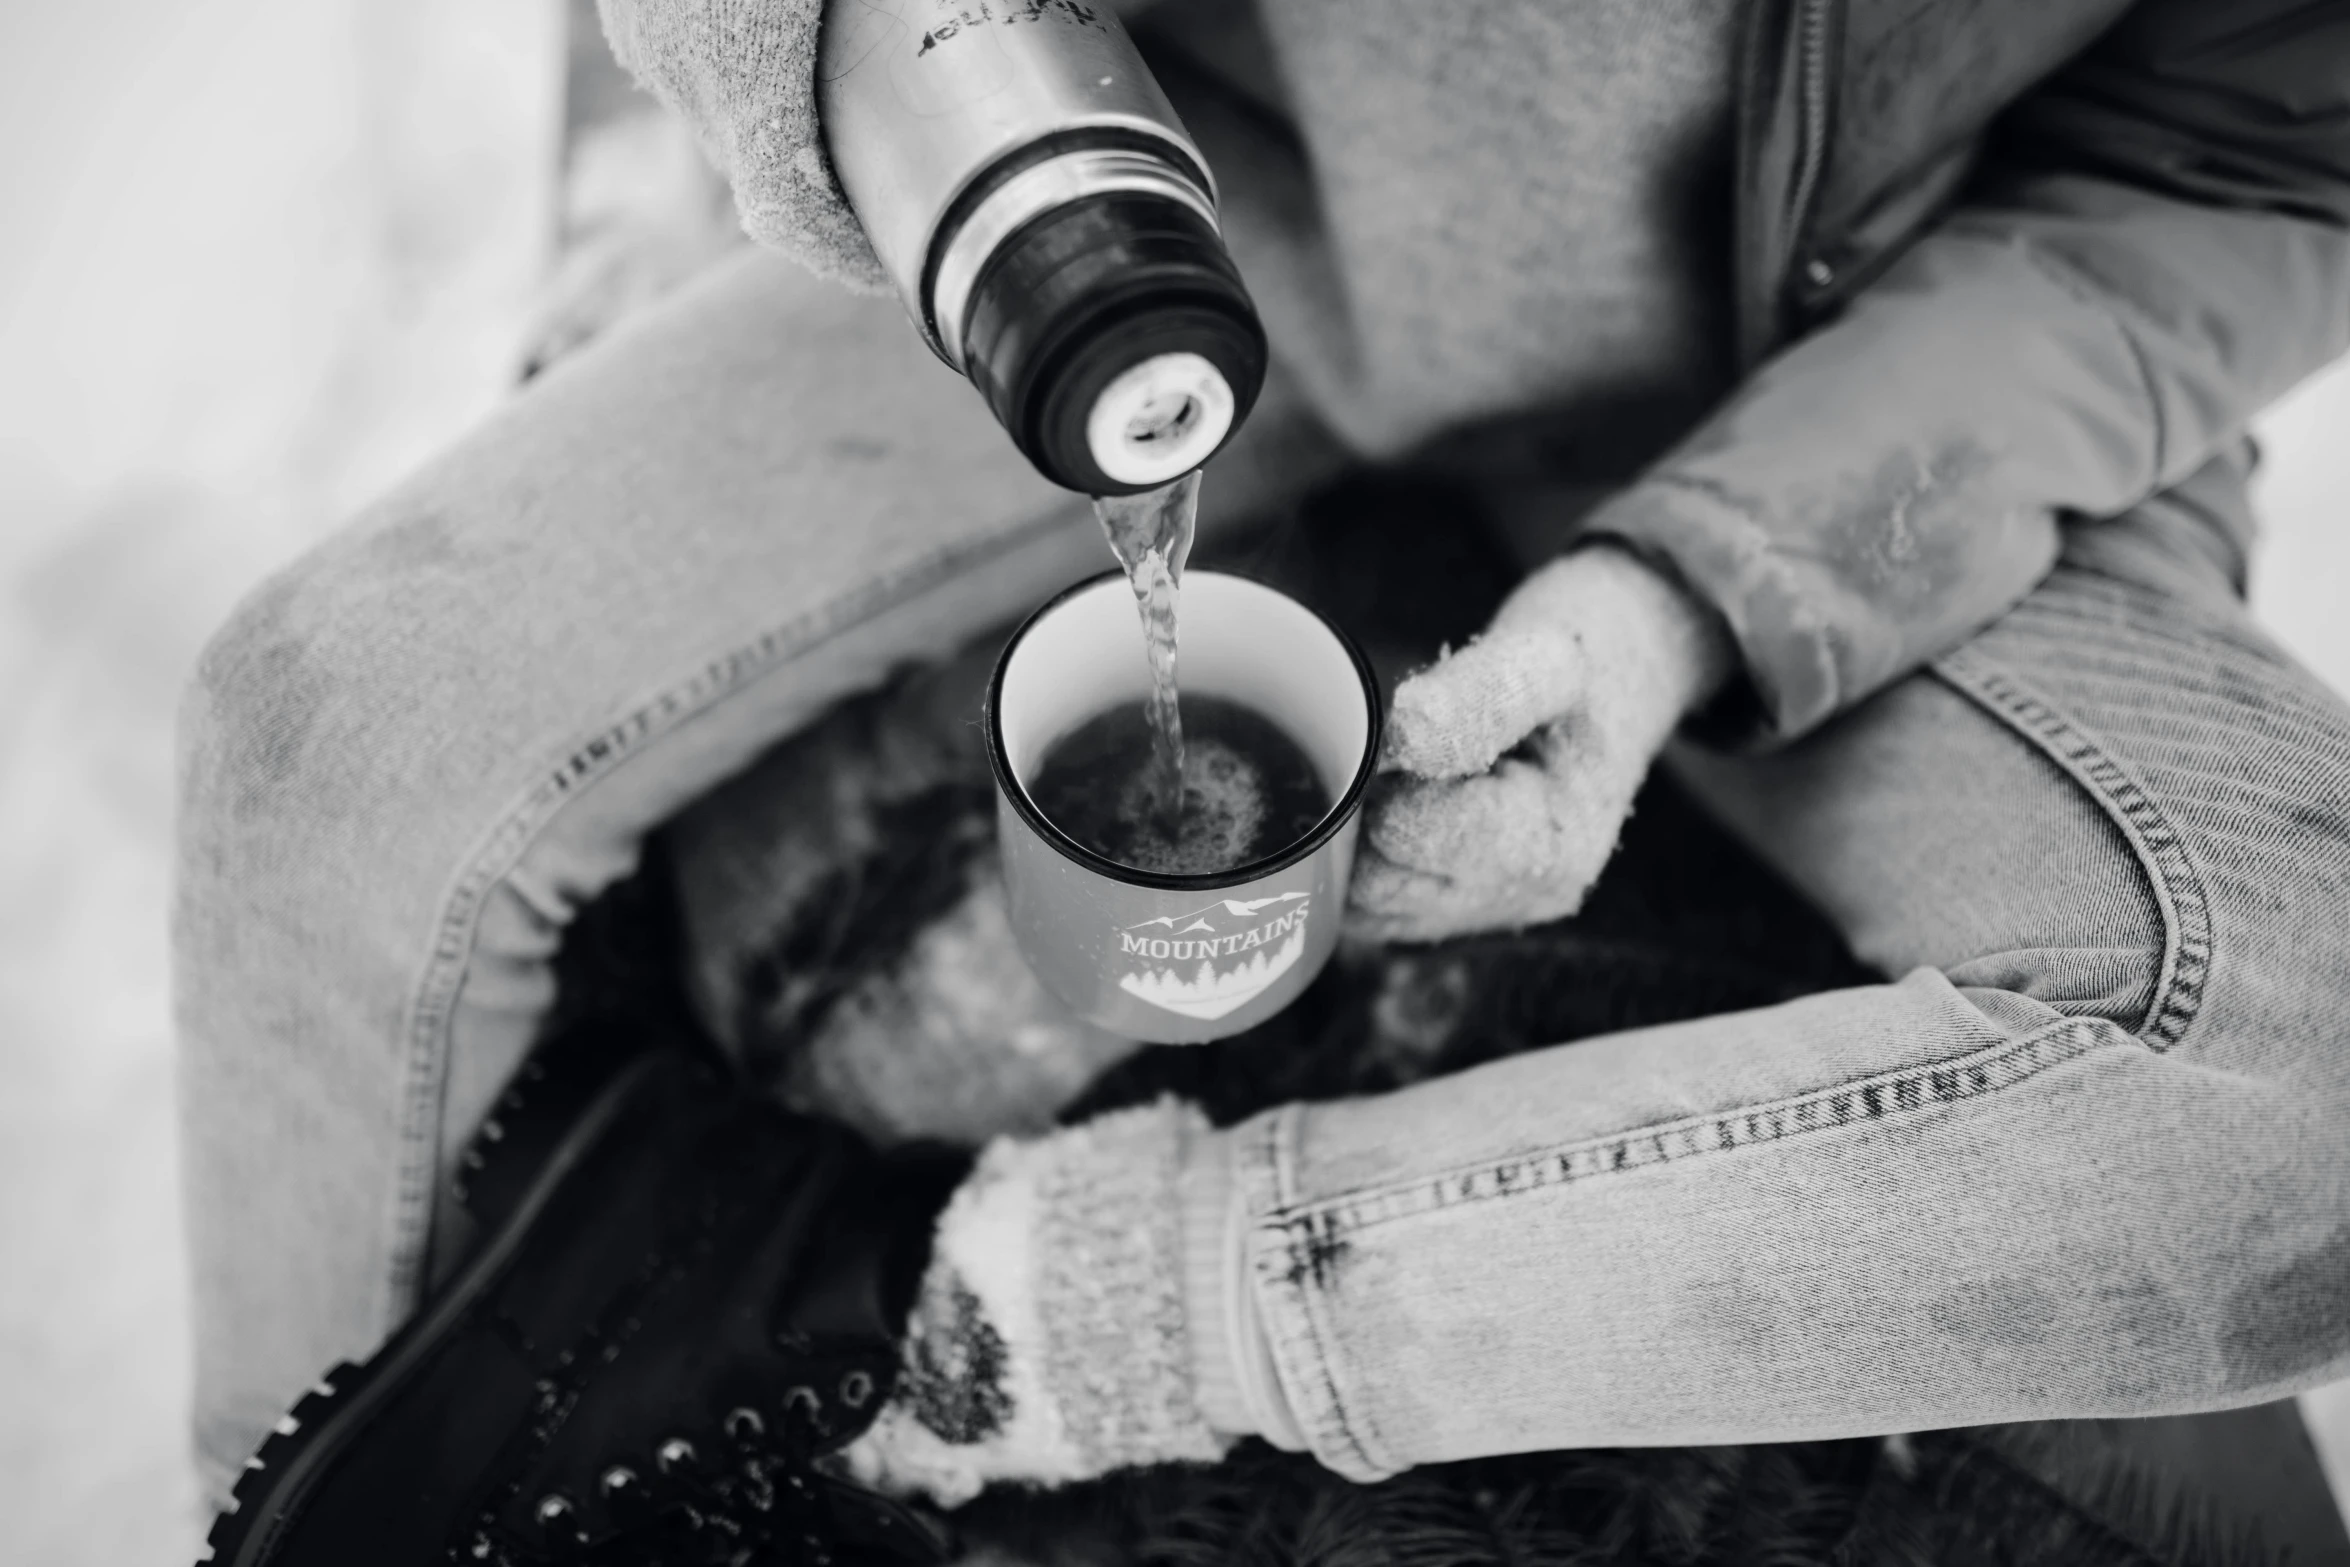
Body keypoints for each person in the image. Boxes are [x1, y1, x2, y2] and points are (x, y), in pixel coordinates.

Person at [179, 0, 2350, 1558]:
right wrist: (843, 60)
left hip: (1888, 366)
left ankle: (958, 1320)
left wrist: (1685, 598)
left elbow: (2243, 161)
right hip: (1167, 204)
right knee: (332, 721)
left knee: (2299, 1097)